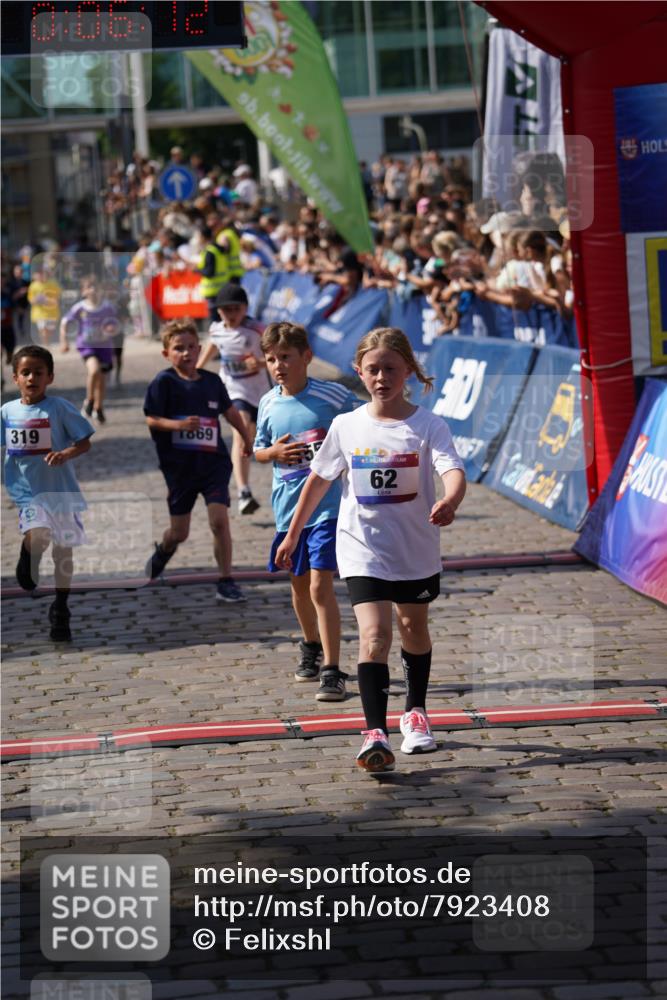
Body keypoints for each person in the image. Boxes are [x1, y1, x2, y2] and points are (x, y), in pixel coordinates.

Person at [276, 327, 466, 772]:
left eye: (391, 369)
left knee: (412, 627)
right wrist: (292, 533)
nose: (381, 377)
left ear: (409, 372)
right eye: (373, 369)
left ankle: (415, 712)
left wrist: (450, 500)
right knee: (374, 636)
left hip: (414, 548)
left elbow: (452, 469)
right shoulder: (346, 425)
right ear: (358, 371)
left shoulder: (427, 425)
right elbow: (318, 479)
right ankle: (374, 733)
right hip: (361, 548)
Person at [254, 322, 359, 702]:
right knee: (298, 587)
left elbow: (364, 422)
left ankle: (332, 669)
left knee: (319, 585)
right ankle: (310, 645)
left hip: (327, 509)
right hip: (287, 510)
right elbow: (258, 449)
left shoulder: (332, 396)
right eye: (271, 359)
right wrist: (274, 454)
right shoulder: (267, 403)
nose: (278, 365)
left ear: (307, 357)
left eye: (286, 357)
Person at [143, 319, 253, 603]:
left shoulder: (212, 381)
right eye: (179, 348)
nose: (186, 353)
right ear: (167, 353)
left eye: (191, 347)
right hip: (179, 469)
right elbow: (151, 419)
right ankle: (164, 550)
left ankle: (225, 580)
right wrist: (177, 426)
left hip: (213, 465)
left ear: (200, 349)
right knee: (179, 532)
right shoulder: (163, 382)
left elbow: (230, 412)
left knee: (219, 521)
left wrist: (246, 439)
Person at [0, 345, 94, 641]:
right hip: (28, 492)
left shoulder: (60, 408)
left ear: (49, 377)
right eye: (25, 373)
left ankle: (61, 607)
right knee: (38, 534)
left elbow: (84, 441)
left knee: (63, 552)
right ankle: (29, 554)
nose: (32, 378)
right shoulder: (7, 411)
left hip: (61, 492)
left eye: (38, 373)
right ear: (15, 377)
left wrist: (66, 453)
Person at [199, 283, 267, 515]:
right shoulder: (216, 330)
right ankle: (244, 491)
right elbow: (210, 349)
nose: (232, 314)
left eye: (236, 309)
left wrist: (259, 363)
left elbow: (278, 356)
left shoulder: (258, 329)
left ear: (245, 308)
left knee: (253, 438)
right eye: (226, 310)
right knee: (241, 432)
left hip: (260, 391)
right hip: (232, 390)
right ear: (219, 312)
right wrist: (194, 372)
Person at [59, 275, 119, 423]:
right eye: (89, 287)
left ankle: (99, 407)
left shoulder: (107, 307)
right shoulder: (80, 307)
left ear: (100, 290)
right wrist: (64, 341)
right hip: (87, 346)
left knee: (102, 380)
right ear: (83, 291)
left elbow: (116, 324)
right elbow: (64, 322)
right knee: (94, 371)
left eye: (95, 287)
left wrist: (112, 329)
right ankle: (89, 400)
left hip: (104, 347)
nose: (93, 290)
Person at [27, 265, 62, 346]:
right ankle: (46, 345)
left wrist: (48, 300)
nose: (41, 276)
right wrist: (37, 299)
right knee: (43, 330)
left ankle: (46, 341)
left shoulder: (53, 284)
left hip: (52, 313)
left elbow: (58, 298)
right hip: (39, 313)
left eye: (43, 274)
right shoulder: (33, 286)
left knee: (50, 330)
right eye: (39, 274)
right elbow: (31, 300)